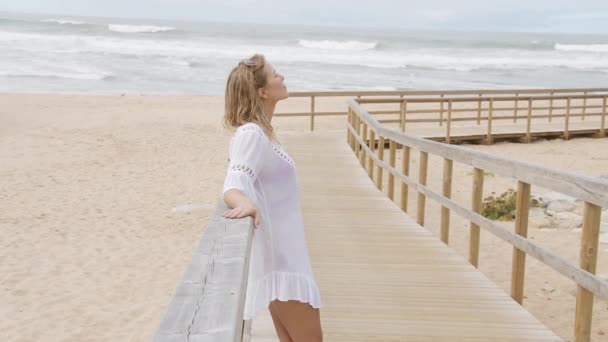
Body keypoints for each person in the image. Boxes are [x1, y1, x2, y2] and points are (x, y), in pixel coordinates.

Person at [222, 54, 323, 342]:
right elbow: (234, 182)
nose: (282, 77)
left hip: (287, 262)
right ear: (262, 91)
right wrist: (243, 202)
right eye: (275, 74)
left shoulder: (263, 134)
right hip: (284, 266)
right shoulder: (251, 134)